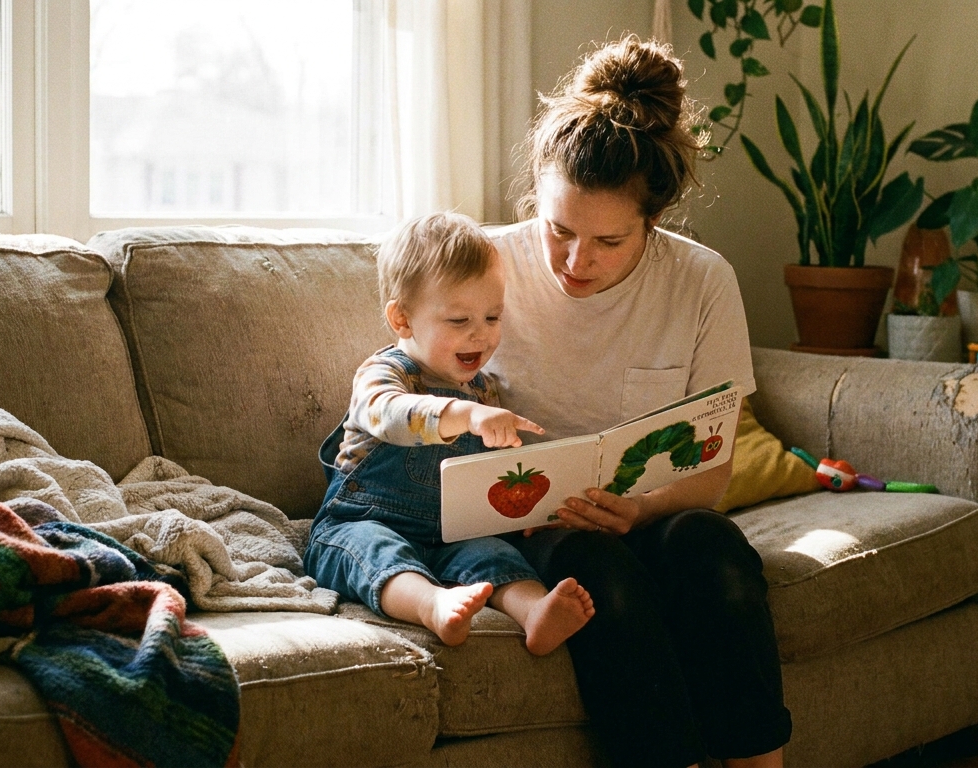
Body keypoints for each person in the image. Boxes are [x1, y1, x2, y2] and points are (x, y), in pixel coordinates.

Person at [484, 36, 791, 768]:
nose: (574, 262)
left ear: (653, 220)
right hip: (537, 527)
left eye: (608, 241)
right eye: (558, 230)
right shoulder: (488, 266)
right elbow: (413, 383)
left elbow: (711, 474)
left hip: (652, 512)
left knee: (713, 550)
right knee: (600, 578)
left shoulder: (702, 282)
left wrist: (644, 507)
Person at [304, 211, 596, 655]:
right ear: (402, 321)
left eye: (493, 317)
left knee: (495, 556)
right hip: (362, 520)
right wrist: (462, 414)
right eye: (459, 321)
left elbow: (491, 475)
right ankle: (432, 605)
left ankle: (535, 612)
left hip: (453, 532)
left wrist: (531, 511)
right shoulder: (384, 374)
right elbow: (388, 414)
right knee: (377, 552)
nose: (480, 335)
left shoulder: (484, 390)